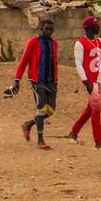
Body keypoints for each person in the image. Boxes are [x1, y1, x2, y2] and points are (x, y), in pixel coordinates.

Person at [5, 17, 59, 149]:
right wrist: (17, 81)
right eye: (46, 29)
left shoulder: (54, 44)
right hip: (37, 81)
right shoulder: (33, 42)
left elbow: (54, 64)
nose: (49, 31)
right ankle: (40, 140)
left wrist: (56, 80)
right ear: (41, 29)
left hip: (51, 82)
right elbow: (24, 61)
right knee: (41, 109)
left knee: (50, 110)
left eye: (51, 29)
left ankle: (28, 125)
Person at [67, 15, 101, 151]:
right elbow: (78, 64)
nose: (99, 27)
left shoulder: (100, 42)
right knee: (96, 109)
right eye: (96, 25)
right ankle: (98, 142)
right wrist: (85, 82)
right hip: (89, 81)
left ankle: (73, 132)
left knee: (91, 109)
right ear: (88, 27)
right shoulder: (80, 44)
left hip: (100, 80)